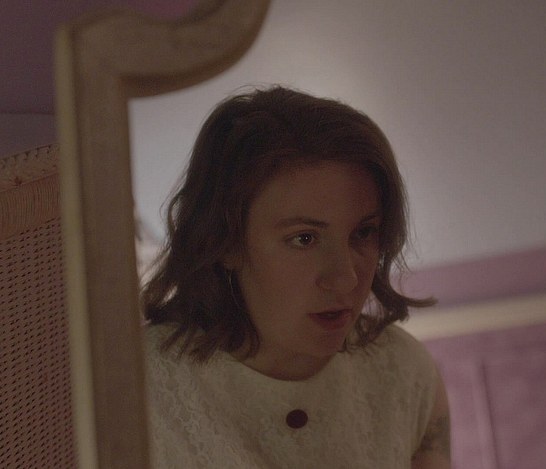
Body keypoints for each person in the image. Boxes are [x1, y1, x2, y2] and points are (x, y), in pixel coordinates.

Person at [141, 85, 451, 468]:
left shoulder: (405, 373)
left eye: (363, 233)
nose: (346, 279)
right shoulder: (139, 386)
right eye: (304, 239)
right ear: (226, 243)